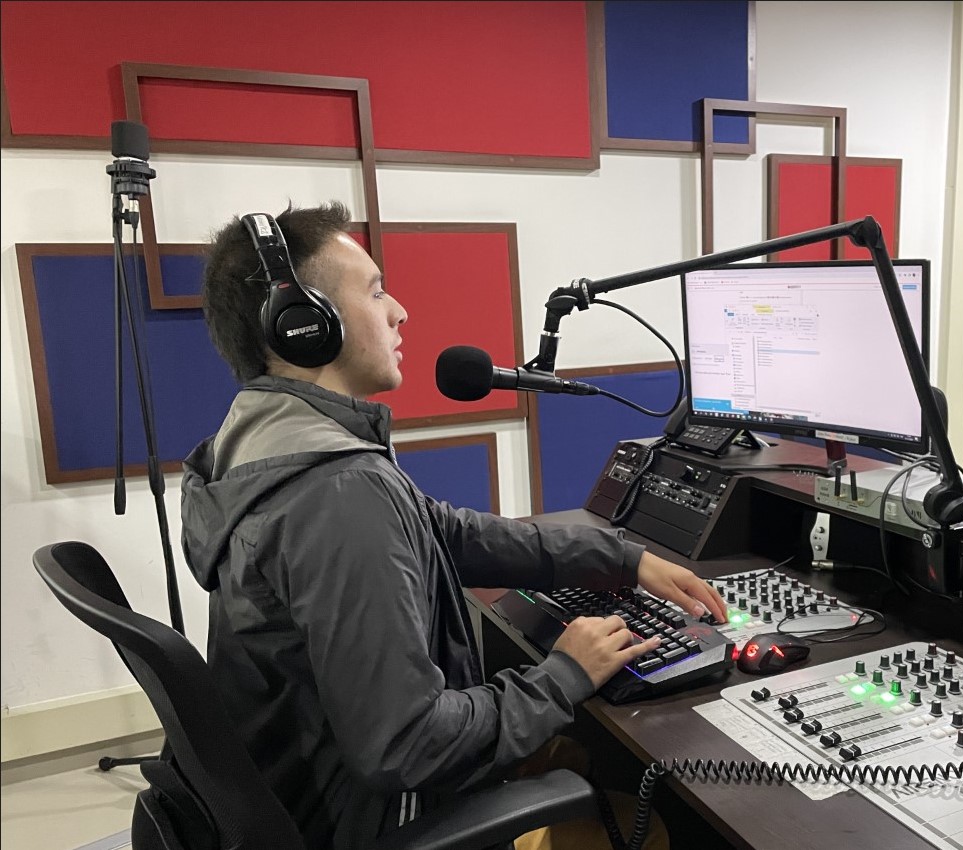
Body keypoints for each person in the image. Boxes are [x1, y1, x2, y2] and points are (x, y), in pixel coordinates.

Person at [181, 202, 727, 850]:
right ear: (305, 326)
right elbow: (405, 745)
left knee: (580, 754)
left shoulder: (258, 450)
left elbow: (449, 534)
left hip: (311, 795)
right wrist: (565, 673)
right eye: (376, 291)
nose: (399, 311)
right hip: (371, 822)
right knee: (656, 820)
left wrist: (619, 557)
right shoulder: (334, 492)